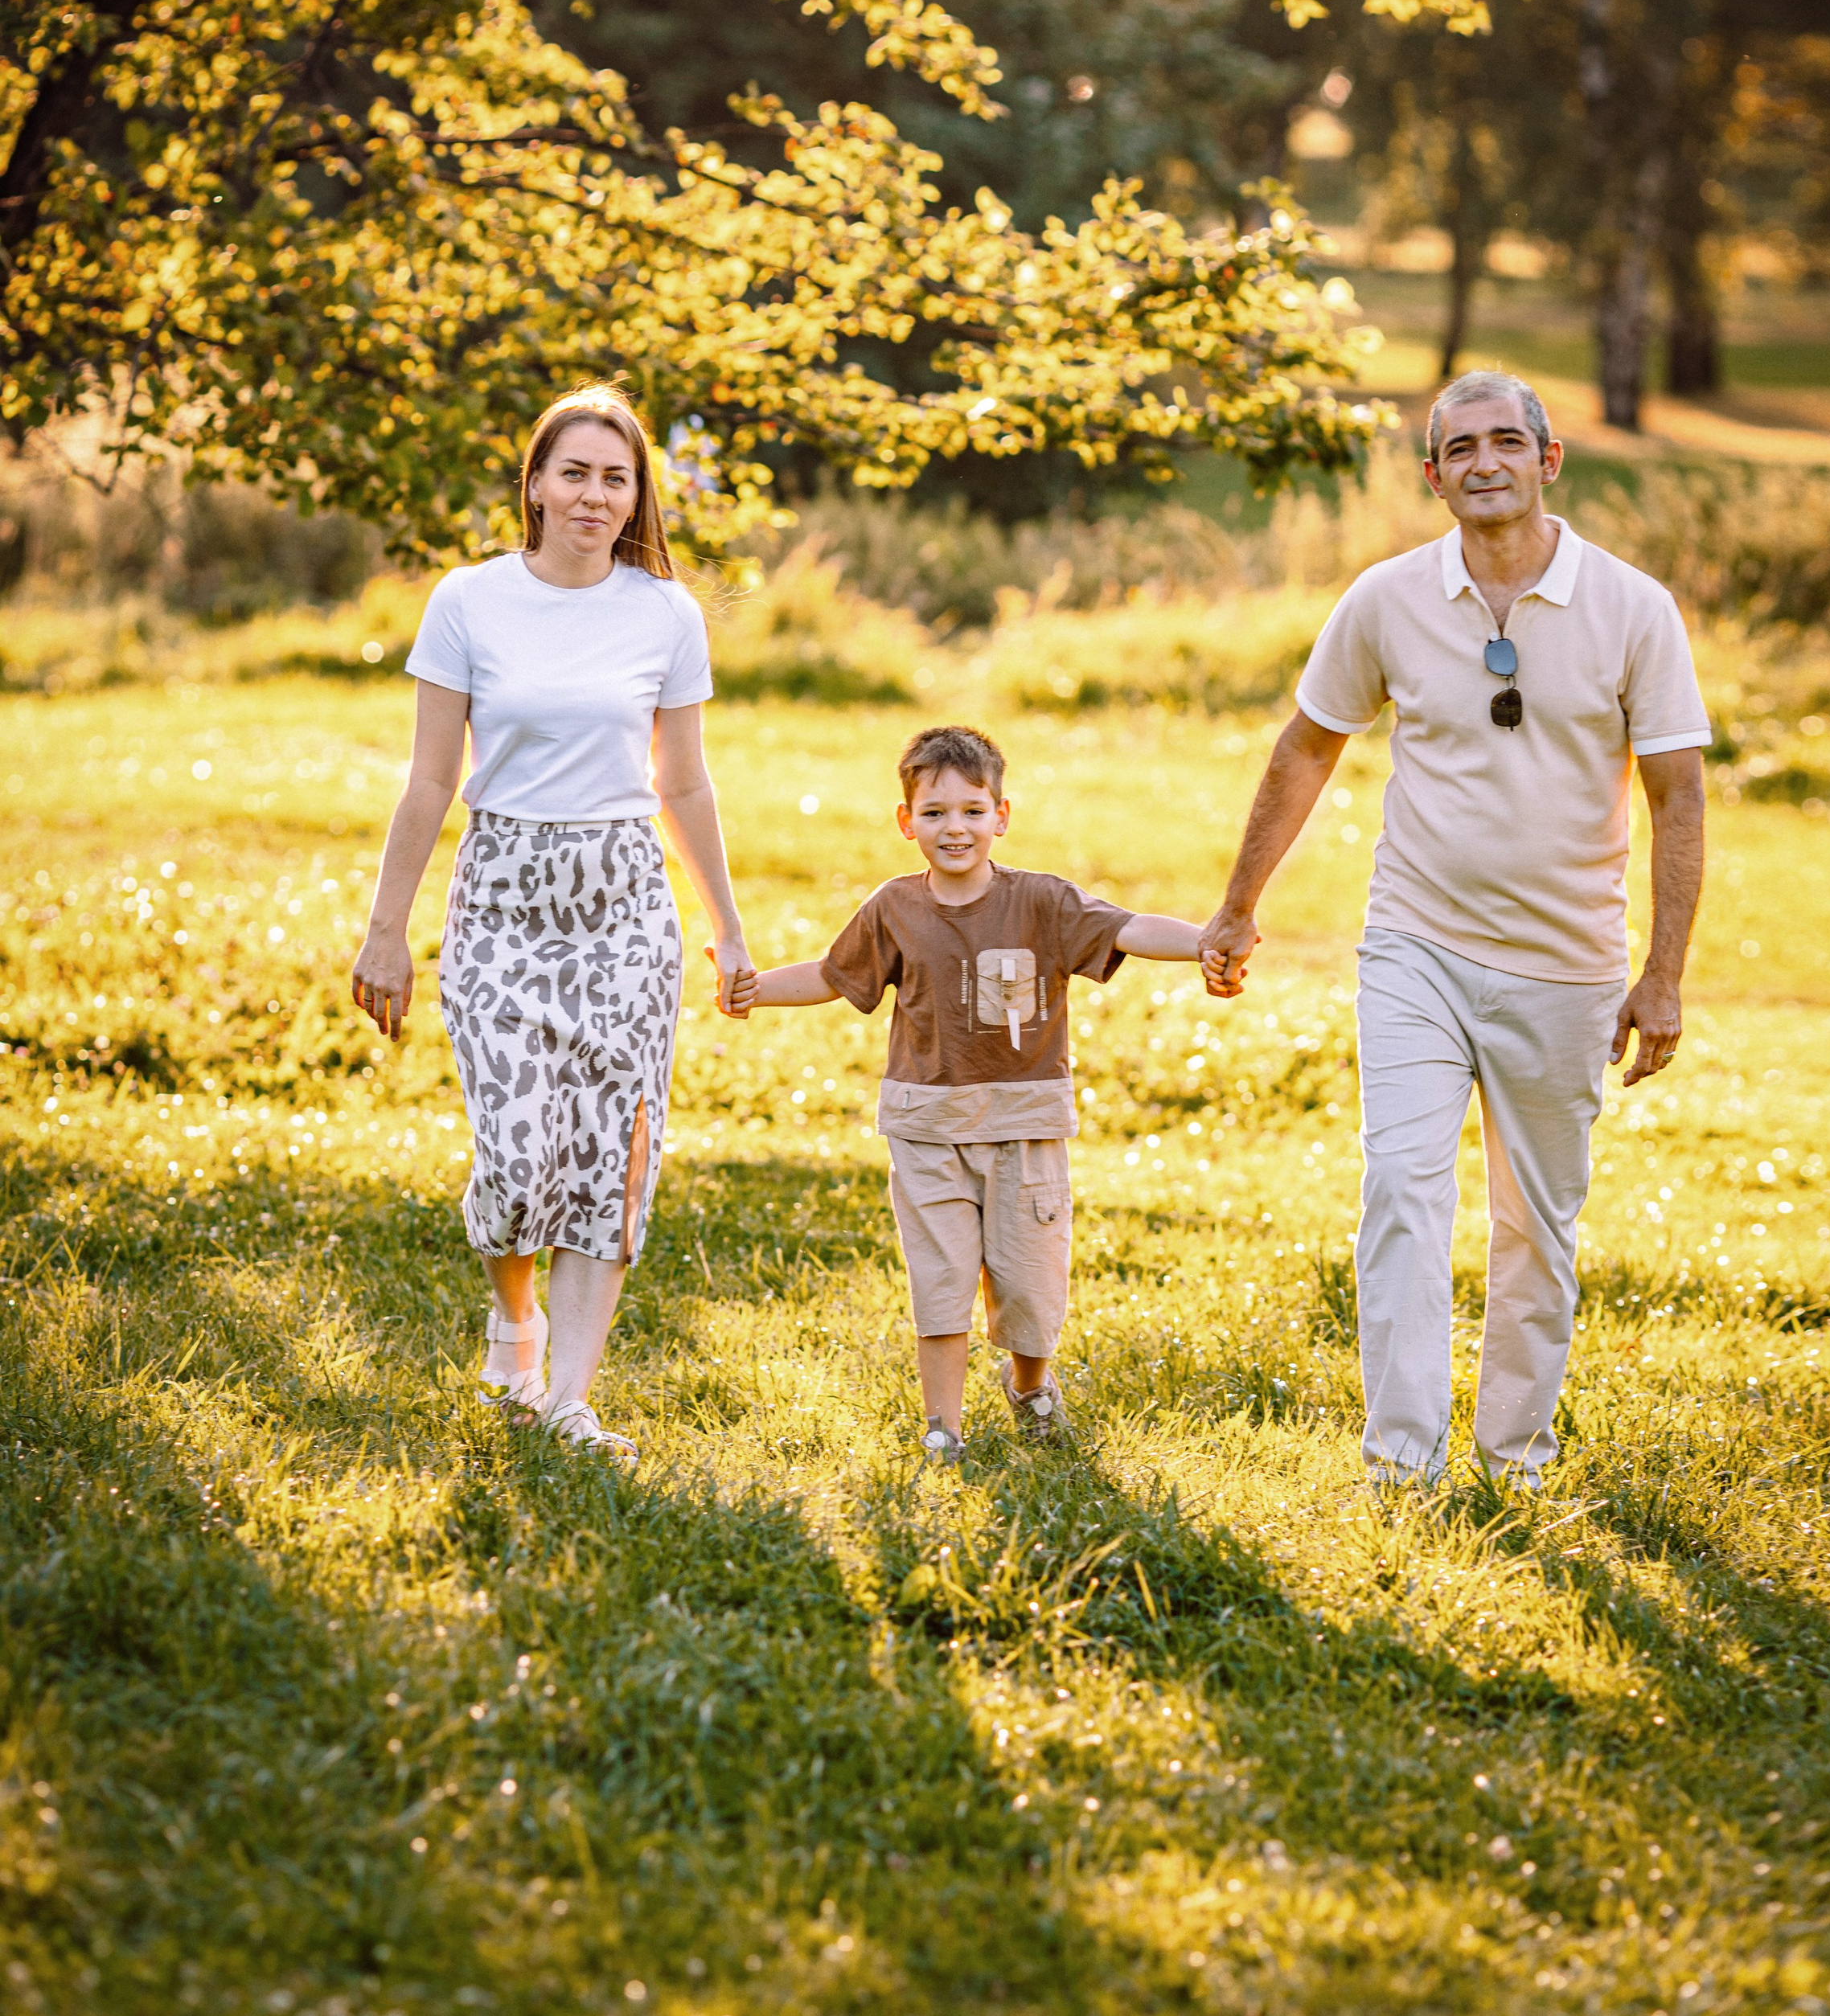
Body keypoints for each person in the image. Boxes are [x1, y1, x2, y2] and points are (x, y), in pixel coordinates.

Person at [1198, 371, 1709, 1488]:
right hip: (1415, 948)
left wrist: (1661, 977)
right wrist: (1239, 906)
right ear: (1432, 478)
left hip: (1568, 970)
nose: (1484, 462)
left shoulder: (1633, 609)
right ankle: (1400, 1465)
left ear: (1548, 458)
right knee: (1401, 1193)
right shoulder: (1385, 600)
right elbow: (1307, 748)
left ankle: (1515, 1458)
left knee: (1537, 1231)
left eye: (1505, 443)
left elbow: (1678, 795)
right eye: (1459, 449)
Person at [349, 383, 750, 1469]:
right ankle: (513, 1325)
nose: (593, 494)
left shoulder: (665, 612)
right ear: (534, 484)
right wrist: (387, 928)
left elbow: (687, 784)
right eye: (573, 472)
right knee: (517, 1156)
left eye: (614, 477)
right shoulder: (469, 602)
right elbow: (432, 779)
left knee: (613, 1154)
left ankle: (569, 1399)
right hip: (504, 897)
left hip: (625, 903)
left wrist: (729, 925)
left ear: (636, 498)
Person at [728, 723, 1221, 1466]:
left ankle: (1029, 1386)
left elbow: (1126, 930)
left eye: (970, 810)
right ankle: (943, 1429)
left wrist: (1205, 942)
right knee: (943, 1278)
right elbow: (834, 977)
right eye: (934, 813)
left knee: (1028, 1284)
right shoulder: (894, 908)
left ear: (1002, 814)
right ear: (906, 823)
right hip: (926, 1126)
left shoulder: (1044, 904)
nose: (953, 828)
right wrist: (752, 991)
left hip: (1025, 1125)